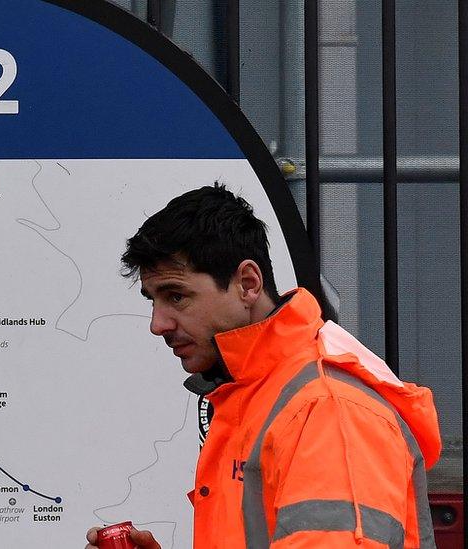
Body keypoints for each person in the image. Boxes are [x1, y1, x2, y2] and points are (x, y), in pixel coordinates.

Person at [86, 184, 441, 548]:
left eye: (177, 296)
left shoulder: (325, 409)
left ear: (248, 284)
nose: (158, 324)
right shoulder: (258, 395)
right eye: (153, 301)